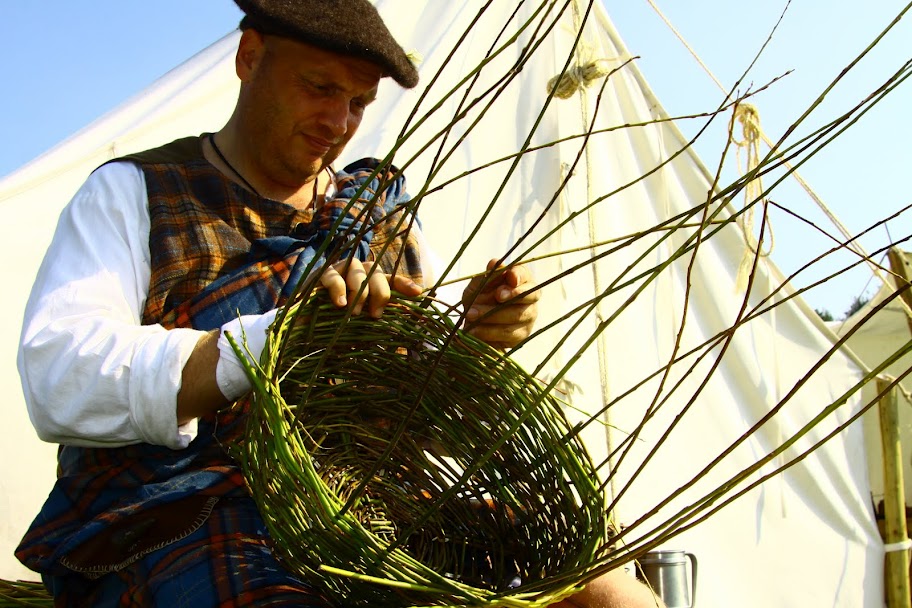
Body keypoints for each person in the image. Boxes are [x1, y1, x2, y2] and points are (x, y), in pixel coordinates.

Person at [15, 1, 663, 606]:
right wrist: (274, 341)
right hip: (190, 499)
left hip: (378, 498)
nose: (340, 122)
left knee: (607, 585)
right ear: (249, 57)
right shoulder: (138, 193)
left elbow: (414, 398)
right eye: (319, 88)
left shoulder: (375, 209)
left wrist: (473, 338)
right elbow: (59, 377)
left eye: (359, 101)